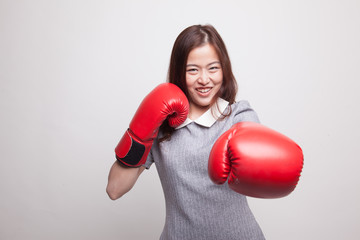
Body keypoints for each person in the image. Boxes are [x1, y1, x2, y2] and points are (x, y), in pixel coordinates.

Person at [107, 24, 267, 239]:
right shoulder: (163, 127)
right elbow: (115, 189)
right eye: (193, 69)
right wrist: (141, 128)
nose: (204, 79)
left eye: (213, 68)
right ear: (179, 72)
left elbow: (260, 165)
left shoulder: (238, 115)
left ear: (224, 70)